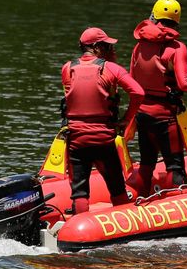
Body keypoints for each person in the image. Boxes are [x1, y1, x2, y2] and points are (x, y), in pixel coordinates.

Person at [128, 0, 187, 195]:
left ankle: (139, 204)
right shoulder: (177, 48)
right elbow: (184, 83)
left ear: (154, 16)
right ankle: (179, 202)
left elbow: (132, 82)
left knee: (146, 163)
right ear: (177, 20)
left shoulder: (138, 46)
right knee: (175, 165)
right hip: (165, 117)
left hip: (143, 114)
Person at [61, 27, 145, 214]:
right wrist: (126, 119)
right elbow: (138, 92)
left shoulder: (67, 68)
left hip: (76, 140)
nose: (111, 50)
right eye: (108, 46)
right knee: (116, 188)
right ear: (97, 47)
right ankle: (124, 227)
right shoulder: (111, 68)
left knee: (80, 192)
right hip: (104, 139)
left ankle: (79, 229)